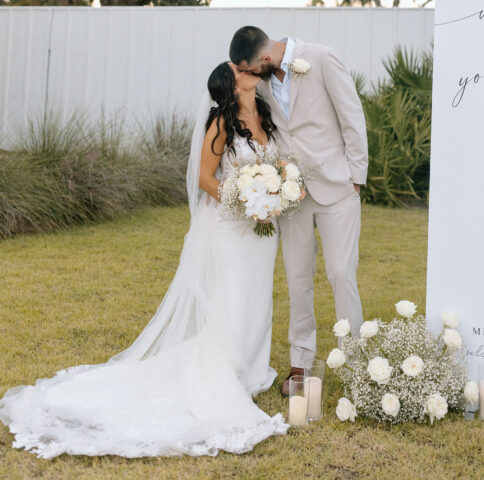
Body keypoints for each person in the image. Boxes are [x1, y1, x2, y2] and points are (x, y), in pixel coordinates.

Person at [0, 63, 288, 458]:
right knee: (233, 296)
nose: (250, 72)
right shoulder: (221, 124)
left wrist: (277, 193)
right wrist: (245, 203)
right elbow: (206, 178)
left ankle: (253, 367)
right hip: (233, 226)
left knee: (257, 295)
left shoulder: (267, 117)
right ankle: (227, 370)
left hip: (263, 229)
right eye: (241, 71)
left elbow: (278, 167)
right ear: (231, 84)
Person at [229, 26, 368, 395]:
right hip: (291, 196)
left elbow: (352, 117)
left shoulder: (321, 58)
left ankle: (355, 364)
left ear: (266, 58)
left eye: (248, 69)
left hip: (338, 188)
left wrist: (356, 177)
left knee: (341, 273)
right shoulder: (257, 79)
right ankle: (301, 364)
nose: (247, 76)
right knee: (297, 279)